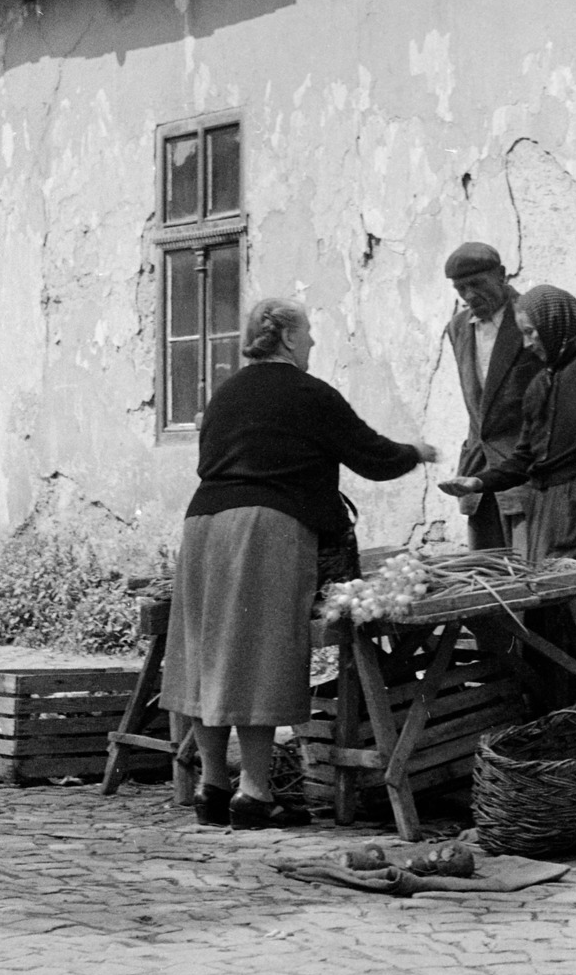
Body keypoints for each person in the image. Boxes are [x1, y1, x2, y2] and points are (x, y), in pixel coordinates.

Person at [160, 297, 438, 830]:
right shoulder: (309, 393)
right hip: (263, 528)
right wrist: (415, 453)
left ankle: (211, 787)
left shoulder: (225, 393)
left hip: (202, 528)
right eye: (307, 332)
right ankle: (254, 794)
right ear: (287, 337)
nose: (312, 341)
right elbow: (371, 455)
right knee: (259, 653)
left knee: (207, 654)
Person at [437, 284, 576, 686]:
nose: (528, 343)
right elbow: (524, 458)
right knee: (549, 605)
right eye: (522, 333)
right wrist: (478, 481)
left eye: (532, 333)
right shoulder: (542, 382)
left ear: (556, 325)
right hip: (547, 507)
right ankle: (558, 698)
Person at [442, 242, 543, 550]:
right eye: (461, 288)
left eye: (477, 284)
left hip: (524, 468)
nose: (469, 295)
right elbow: (479, 404)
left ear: (501, 274)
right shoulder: (458, 328)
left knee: (530, 566)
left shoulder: (531, 316)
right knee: (486, 567)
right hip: (477, 467)